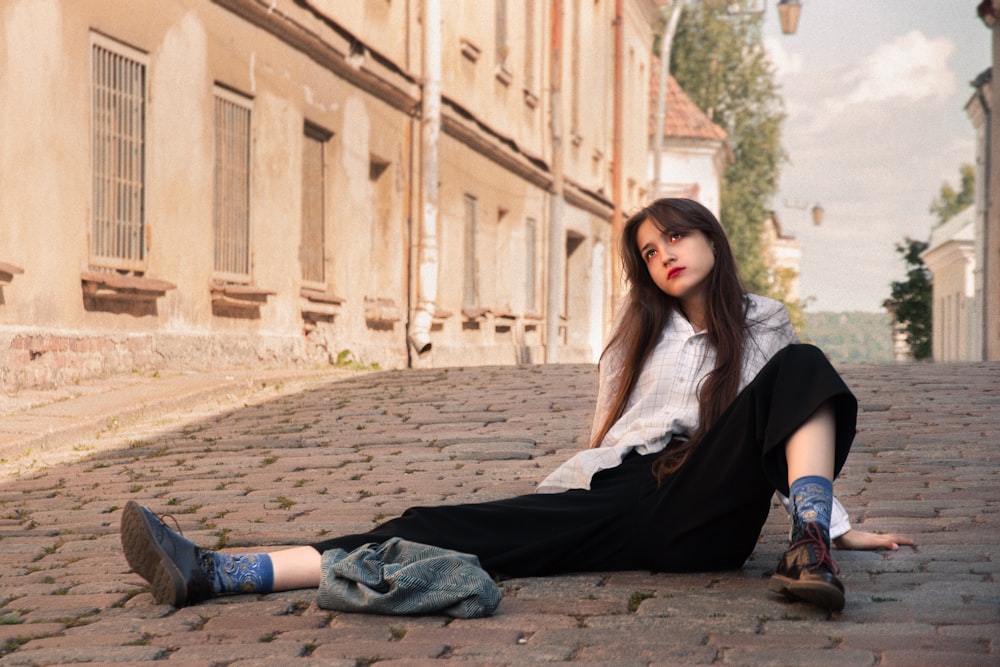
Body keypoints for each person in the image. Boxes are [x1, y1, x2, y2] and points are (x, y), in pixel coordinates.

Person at [121, 198, 913, 615]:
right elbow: (608, 434)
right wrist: (564, 493)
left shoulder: (765, 325)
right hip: (622, 495)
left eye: (675, 236)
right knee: (433, 525)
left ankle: (813, 546)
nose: (664, 253)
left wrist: (839, 518)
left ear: (709, 237)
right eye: (648, 249)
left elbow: (779, 426)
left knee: (805, 366)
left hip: (709, 502)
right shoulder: (638, 335)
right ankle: (225, 571)